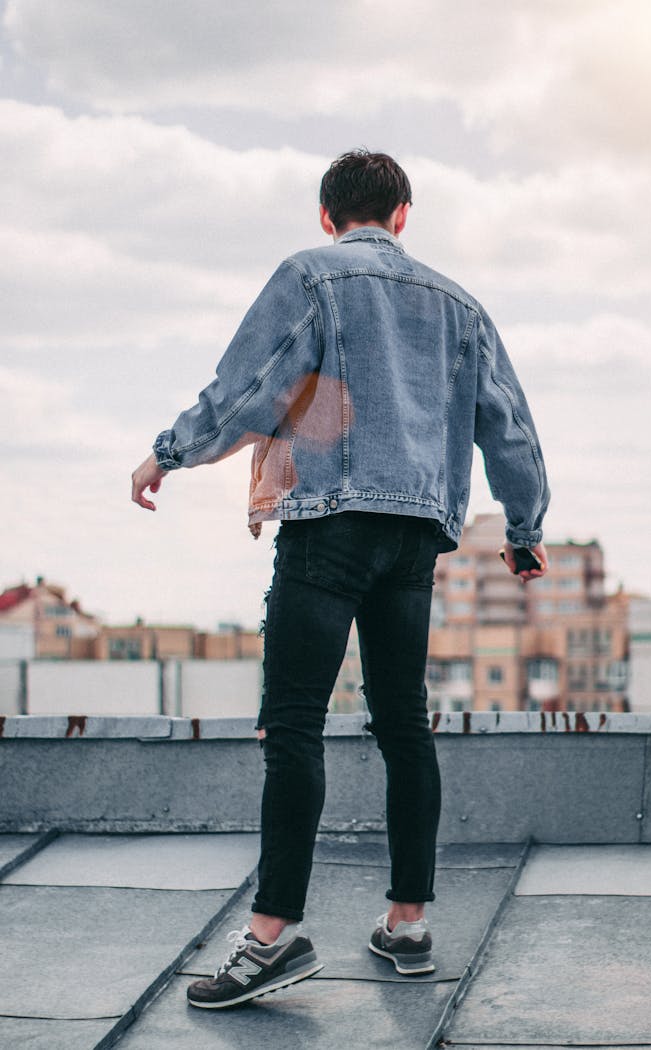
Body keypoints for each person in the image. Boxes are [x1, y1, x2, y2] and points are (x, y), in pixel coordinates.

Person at [131, 149, 550, 1008]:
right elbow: (507, 422)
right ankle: (408, 924)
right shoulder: (460, 303)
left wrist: (169, 453)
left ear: (328, 216)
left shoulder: (312, 276)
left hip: (330, 525)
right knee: (404, 725)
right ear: (403, 214)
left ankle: (271, 938)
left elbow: (249, 385)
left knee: (293, 727)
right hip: (415, 539)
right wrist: (524, 528)